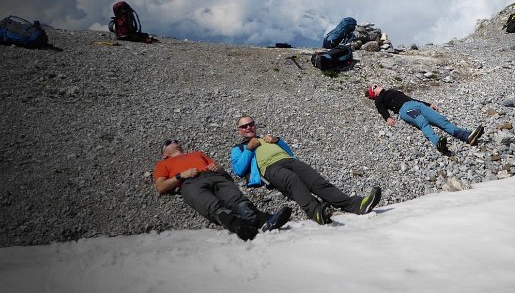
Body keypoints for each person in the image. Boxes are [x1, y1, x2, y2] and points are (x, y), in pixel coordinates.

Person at [231, 116, 381, 225]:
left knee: (317, 181)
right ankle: (316, 212)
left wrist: (277, 140)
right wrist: (249, 149)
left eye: (251, 124)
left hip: (289, 160)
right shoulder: (239, 149)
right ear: (239, 131)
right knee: (292, 180)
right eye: (244, 126)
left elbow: (288, 151)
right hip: (270, 168)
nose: (248, 127)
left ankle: (356, 205)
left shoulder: (266, 138)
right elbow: (238, 170)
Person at [153, 139, 291, 241]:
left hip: (214, 176)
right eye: (169, 142)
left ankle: (263, 220)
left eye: (176, 141)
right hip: (189, 182)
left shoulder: (197, 154)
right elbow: (160, 186)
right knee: (212, 206)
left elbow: (225, 174)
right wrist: (181, 175)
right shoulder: (163, 164)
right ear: (164, 154)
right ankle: (239, 226)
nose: (174, 142)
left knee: (236, 199)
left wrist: (219, 169)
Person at [365, 84, 484, 155]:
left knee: (441, 120)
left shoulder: (392, 91)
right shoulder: (378, 99)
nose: (377, 85)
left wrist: (428, 104)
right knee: (423, 122)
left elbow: (410, 98)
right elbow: (381, 109)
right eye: (374, 87)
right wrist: (387, 118)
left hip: (416, 104)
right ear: (373, 93)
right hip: (405, 110)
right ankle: (438, 143)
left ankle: (466, 136)